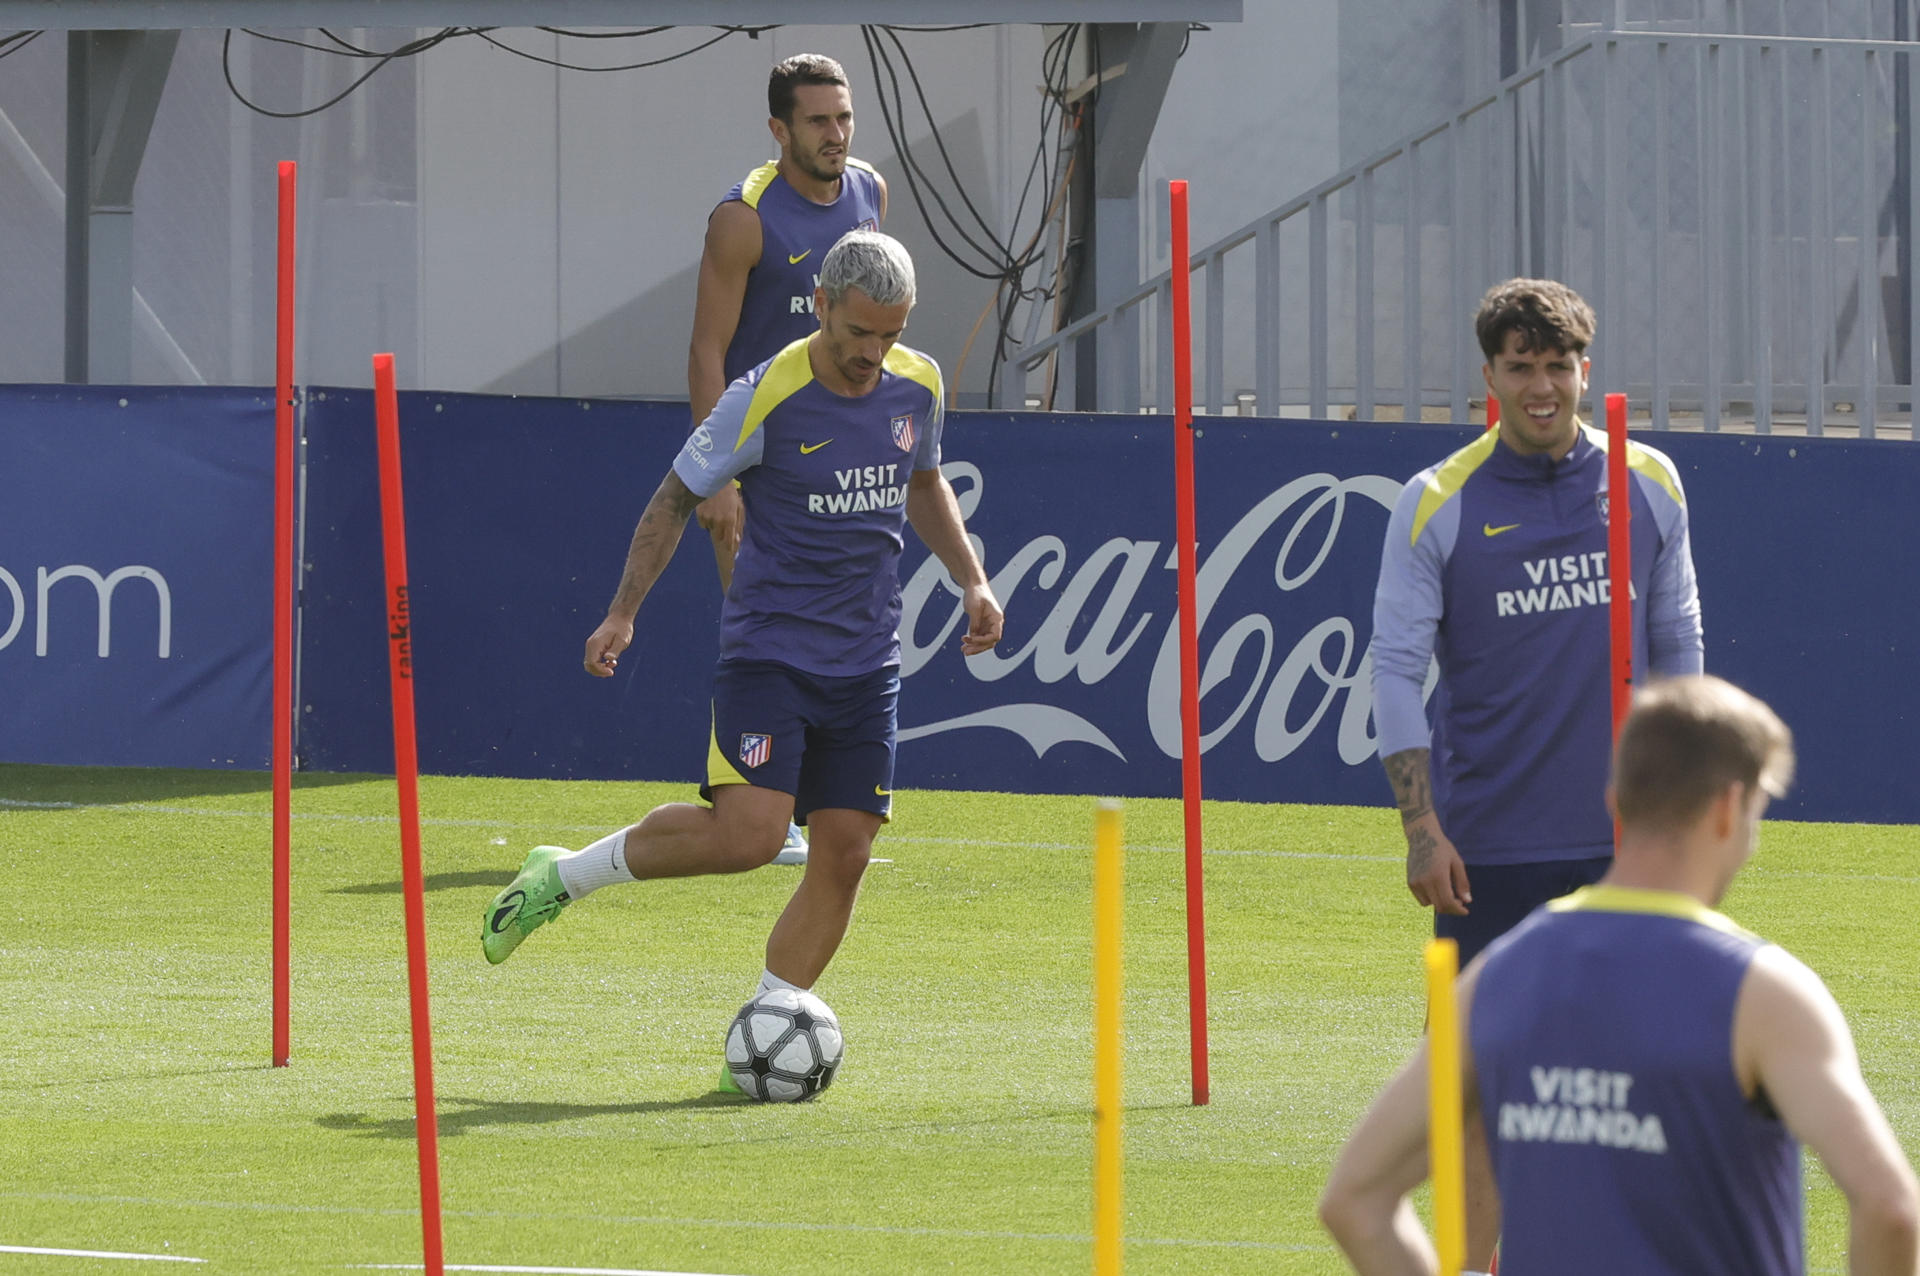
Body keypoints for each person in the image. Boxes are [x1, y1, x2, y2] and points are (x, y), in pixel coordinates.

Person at [481, 231, 1002, 1083]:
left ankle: (763, 1037)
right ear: (823, 306)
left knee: (846, 853)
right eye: (858, 333)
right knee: (751, 836)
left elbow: (922, 480)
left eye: (890, 333)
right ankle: (564, 877)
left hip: (869, 665)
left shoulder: (921, 382)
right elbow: (675, 498)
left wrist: (974, 582)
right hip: (771, 653)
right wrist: (622, 614)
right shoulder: (764, 396)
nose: (873, 353)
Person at [1320, 675, 1920, 1275]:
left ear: (1616, 802)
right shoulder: (1765, 996)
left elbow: (1355, 1200)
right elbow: (1890, 1206)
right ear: (1728, 809)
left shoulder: (1499, 977)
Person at [1368, 277, 1705, 1266]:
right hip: (1488, 851)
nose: (1543, 386)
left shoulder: (1651, 483)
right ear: (1491, 376)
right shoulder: (1436, 500)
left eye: (1559, 365)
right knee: (1475, 1092)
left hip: (1625, 848)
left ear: (1584, 369)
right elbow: (1393, 668)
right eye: (1522, 367)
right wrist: (1421, 828)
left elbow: (1678, 640)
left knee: (1632, 1089)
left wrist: (1680, 807)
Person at [689, 52, 889, 866]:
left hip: (837, 451)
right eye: (818, 121)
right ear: (779, 130)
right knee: (762, 631)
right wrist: (717, 475)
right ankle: (760, 803)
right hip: (760, 452)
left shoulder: (871, 192)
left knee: (839, 626)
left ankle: (813, 805)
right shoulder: (744, 219)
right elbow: (706, 351)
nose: (836, 134)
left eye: (843, 117)